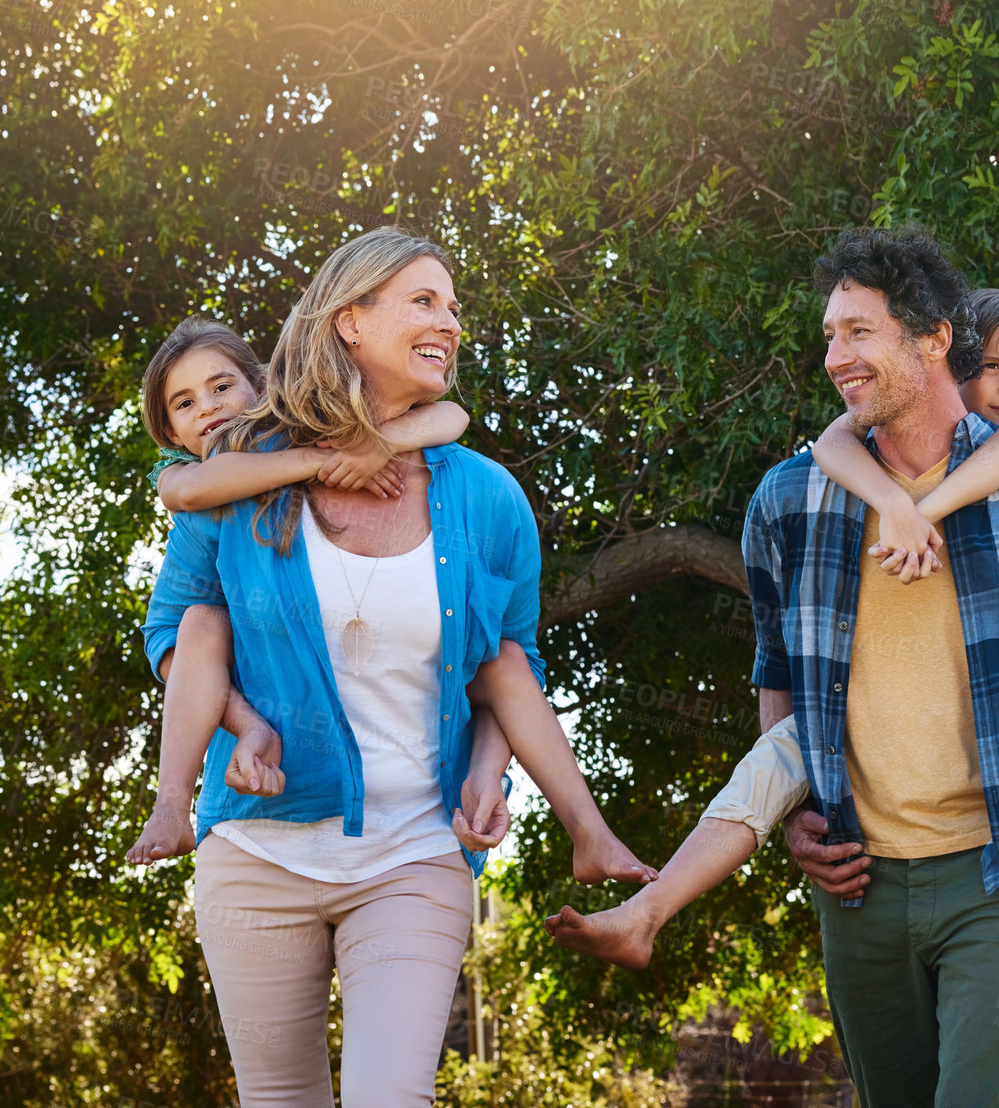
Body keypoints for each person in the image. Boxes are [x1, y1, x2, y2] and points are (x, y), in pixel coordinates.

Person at [560, 223, 999, 1108]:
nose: (834, 357)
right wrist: (795, 818)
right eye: (828, 336)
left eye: (857, 332)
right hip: (858, 882)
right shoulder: (788, 500)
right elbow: (775, 670)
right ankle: (649, 912)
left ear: (933, 338)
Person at [141, 229, 652, 1108]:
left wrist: (489, 774)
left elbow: (507, 662)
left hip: (414, 850)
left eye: (453, 307)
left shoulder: (486, 496)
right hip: (257, 850)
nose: (449, 321)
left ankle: (590, 830)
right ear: (350, 322)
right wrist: (243, 724)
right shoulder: (238, 477)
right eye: (424, 302)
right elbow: (176, 632)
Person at [127, 314, 468, 864]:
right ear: (170, 433)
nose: (209, 407)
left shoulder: (301, 426)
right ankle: (171, 804)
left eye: (221, 387)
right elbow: (167, 622)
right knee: (199, 622)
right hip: (239, 683)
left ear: (259, 387)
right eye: (184, 403)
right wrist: (321, 464)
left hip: (397, 786)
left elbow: (452, 413)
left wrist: (375, 445)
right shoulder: (192, 484)